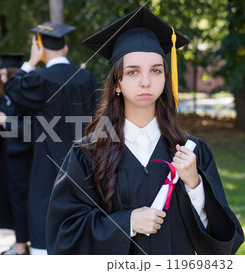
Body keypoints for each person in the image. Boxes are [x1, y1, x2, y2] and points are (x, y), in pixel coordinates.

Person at [46, 7, 244, 254]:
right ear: (117, 83)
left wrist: (194, 184)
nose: (146, 81)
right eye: (133, 72)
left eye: (155, 70)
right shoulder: (89, 153)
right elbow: (65, 233)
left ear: (165, 78)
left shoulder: (192, 153)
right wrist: (126, 223)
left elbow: (223, 245)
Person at [4, 22, 100, 254]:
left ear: (42, 50)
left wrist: (31, 61)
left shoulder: (39, 79)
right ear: (66, 48)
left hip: (48, 164)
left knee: (44, 211)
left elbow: (12, 88)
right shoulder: (86, 77)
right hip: (84, 161)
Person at [0, 53, 32, 255]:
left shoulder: (27, 100)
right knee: (11, 200)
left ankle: (21, 247)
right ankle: (20, 241)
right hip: (7, 159)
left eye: (6, 75)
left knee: (21, 202)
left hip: (24, 159)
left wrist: (5, 122)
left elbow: (31, 130)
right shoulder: (4, 101)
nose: (3, 80)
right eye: (1, 75)